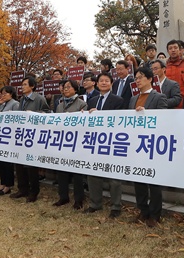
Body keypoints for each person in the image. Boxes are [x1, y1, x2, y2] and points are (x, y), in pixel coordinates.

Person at [129, 66, 168, 227]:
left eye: (141, 77)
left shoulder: (160, 97)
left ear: (150, 79)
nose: (137, 80)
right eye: (136, 78)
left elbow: (165, 119)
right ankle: (143, 210)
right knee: (138, 179)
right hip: (137, 144)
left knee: (153, 181)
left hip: (152, 144)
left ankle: (155, 214)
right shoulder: (132, 99)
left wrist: (148, 113)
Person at [85, 72, 125, 218]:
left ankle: (115, 206)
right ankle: (95, 203)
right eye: (101, 81)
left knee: (114, 177)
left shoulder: (118, 100)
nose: (103, 83)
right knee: (93, 173)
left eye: (106, 81)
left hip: (111, 141)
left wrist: (100, 114)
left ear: (111, 84)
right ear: (96, 84)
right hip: (95, 141)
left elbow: (118, 120)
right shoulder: (92, 101)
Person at [11, 77, 50, 203]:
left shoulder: (39, 98)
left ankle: (34, 191)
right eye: (22, 84)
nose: (22, 87)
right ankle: (22, 189)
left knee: (31, 165)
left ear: (32, 86)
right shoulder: (21, 100)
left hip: (33, 135)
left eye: (25, 84)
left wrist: (33, 113)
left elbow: (46, 112)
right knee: (19, 163)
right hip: (21, 134)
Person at [54, 79, 87, 209]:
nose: (65, 89)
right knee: (61, 171)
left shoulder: (82, 104)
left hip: (76, 143)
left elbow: (84, 123)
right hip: (62, 142)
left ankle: (79, 200)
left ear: (75, 89)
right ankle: (63, 197)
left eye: (68, 87)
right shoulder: (59, 105)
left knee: (77, 173)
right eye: (64, 87)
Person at [0, 86, 19, 195]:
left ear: (11, 94)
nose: (3, 96)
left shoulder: (15, 104)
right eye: (2, 93)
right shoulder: (2, 104)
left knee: (7, 162)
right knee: (1, 161)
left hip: (10, 136)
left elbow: (17, 119)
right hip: (1, 136)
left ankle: (8, 185)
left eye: (5, 93)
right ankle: (3, 183)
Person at [165, 39, 184, 106]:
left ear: (179, 50)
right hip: (167, 102)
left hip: (183, 101)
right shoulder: (164, 66)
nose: (173, 50)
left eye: (175, 48)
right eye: (170, 48)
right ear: (167, 51)